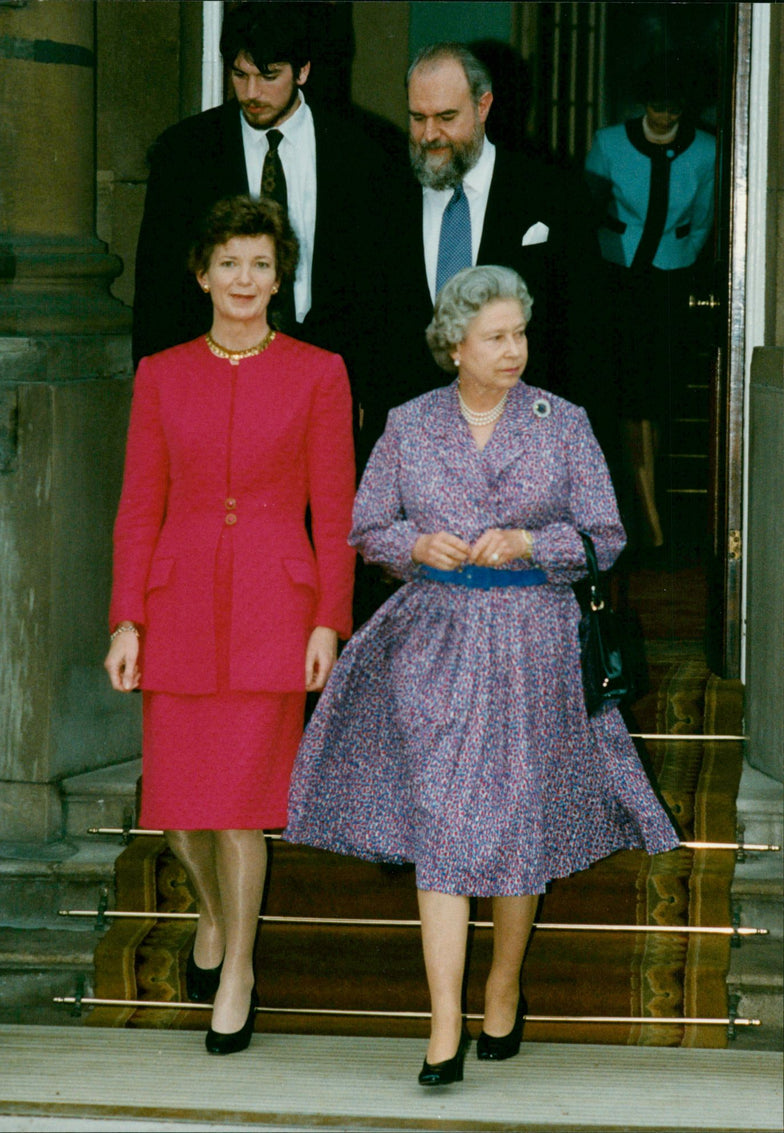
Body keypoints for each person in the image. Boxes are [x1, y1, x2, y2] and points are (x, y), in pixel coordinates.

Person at [285, 265, 679, 1086]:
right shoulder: (407, 424)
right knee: (441, 825)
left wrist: (534, 544)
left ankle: (502, 983)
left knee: (516, 823)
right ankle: (441, 1025)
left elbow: (607, 535)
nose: (514, 350)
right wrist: (412, 547)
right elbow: (367, 525)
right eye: (497, 336)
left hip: (535, 642)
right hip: (434, 643)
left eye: (520, 333)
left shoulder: (561, 422)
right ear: (454, 345)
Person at [105, 195, 356, 1056]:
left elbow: (339, 506)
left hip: (273, 612)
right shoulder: (162, 374)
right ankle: (213, 914)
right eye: (229, 264)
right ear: (203, 274)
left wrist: (330, 618)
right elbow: (138, 508)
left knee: (241, 808)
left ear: (280, 277)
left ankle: (239, 967)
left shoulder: (320, 371)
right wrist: (125, 619)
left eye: (260, 264)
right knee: (180, 811)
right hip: (176, 608)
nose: (244, 280)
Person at [132, 1, 391, 417]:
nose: (251, 94)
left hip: (327, 386)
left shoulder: (363, 155)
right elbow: (156, 292)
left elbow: (379, 292)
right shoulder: (185, 154)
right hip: (213, 388)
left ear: (302, 71)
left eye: (269, 76)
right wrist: (160, 402)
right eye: (240, 75)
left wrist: (371, 399)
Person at [363, 43, 608, 464]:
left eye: (446, 117)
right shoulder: (380, 198)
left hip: (524, 447)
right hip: (411, 454)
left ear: (483, 106)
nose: (429, 135)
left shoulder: (551, 194)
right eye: (417, 118)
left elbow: (585, 337)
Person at [584, 56, 716, 553]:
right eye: (655, 106)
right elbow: (588, 209)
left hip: (668, 285)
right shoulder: (609, 143)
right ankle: (642, 518)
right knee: (625, 398)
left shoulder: (706, 151)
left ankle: (650, 511)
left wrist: (681, 257)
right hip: (616, 280)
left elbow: (703, 220)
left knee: (655, 398)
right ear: (642, 101)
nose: (662, 117)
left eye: (673, 108)